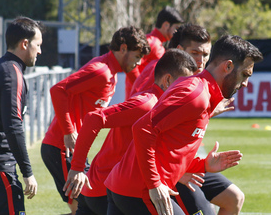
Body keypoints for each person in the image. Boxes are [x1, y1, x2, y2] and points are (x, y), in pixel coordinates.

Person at [105, 35, 263, 215]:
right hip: (139, 191)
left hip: (125, 187)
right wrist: (154, 184)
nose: (245, 83)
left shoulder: (199, 91)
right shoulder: (196, 94)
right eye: (245, 74)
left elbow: (168, 145)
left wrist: (203, 165)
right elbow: (143, 128)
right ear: (227, 66)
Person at [62, 49, 198, 215]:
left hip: (106, 187)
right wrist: (76, 168)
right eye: (185, 83)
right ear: (168, 80)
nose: (190, 89)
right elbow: (94, 119)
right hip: (104, 190)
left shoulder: (163, 106)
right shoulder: (147, 103)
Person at [40, 26, 150, 215]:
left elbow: (137, 79)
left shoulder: (111, 73)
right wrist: (68, 131)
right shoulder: (101, 70)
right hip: (61, 147)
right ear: (123, 48)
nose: (137, 63)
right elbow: (58, 90)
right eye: (137, 56)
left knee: (90, 206)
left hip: (73, 148)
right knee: (87, 206)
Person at [0, 16, 44, 215]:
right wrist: (27, 172)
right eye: (37, 45)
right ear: (25, 43)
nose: (39, 51)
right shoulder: (12, 74)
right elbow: (13, 125)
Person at [130, 23, 211, 97]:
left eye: (205, 55)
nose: (201, 60)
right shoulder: (160, 68)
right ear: (180, 50)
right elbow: (139, 104)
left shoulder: (201, 80)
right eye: (195, 53)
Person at [125, 6, 184, 99]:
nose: (176, 32)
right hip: (138, 100)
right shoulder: (152, 42)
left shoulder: (156, 43)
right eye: (176, 28)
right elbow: (129, 63)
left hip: (142, 99)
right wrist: (140, 88)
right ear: (166, 25)